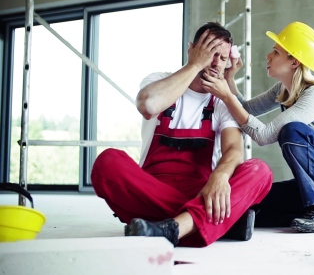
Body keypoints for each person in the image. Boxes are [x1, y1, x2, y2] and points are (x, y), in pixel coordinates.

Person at [91, 22, 273, 247]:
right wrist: (195, 65)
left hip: (200, 191)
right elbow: (148, 105)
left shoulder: (223, 101)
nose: (216, 63)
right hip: (150, 189)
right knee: (107, 162)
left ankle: (168, 227)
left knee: (260, 171)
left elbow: (234, 150)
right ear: (192, 50)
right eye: (210, 53)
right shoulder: (159, 80)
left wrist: (221, 175)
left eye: (223, 58)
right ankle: (212, 222)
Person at [201, 21, 314, 233]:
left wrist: (225, 94)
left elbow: (262, 135)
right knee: (258, 199)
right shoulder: (284, 89)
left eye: (276, 52)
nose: (268, 56)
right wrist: (229, 79)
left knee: (293, 130)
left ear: (294, 62)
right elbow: (245, 109)